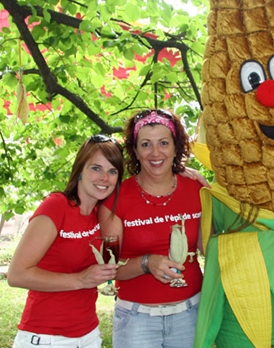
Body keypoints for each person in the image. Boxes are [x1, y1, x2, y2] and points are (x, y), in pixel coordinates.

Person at [98, 109, 204, 348]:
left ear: (176, 147)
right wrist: (146, 263)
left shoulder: (196, 190)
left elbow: (211, 248)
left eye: (164, 143)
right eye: (146, 144)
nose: (156, 153)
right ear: (135, 151)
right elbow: (109, 268)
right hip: (137, 320)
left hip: (191, 314)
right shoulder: (116, 199)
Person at [8, 134, 124, 348]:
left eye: (112, 171)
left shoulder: (102, 213)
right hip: (45, 337)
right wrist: (80, 279)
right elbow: (16, 275)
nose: (104, 178)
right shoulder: (56, 206)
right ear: (80, 169)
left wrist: (183, 170)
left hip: (89, 335)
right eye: (96, 168)